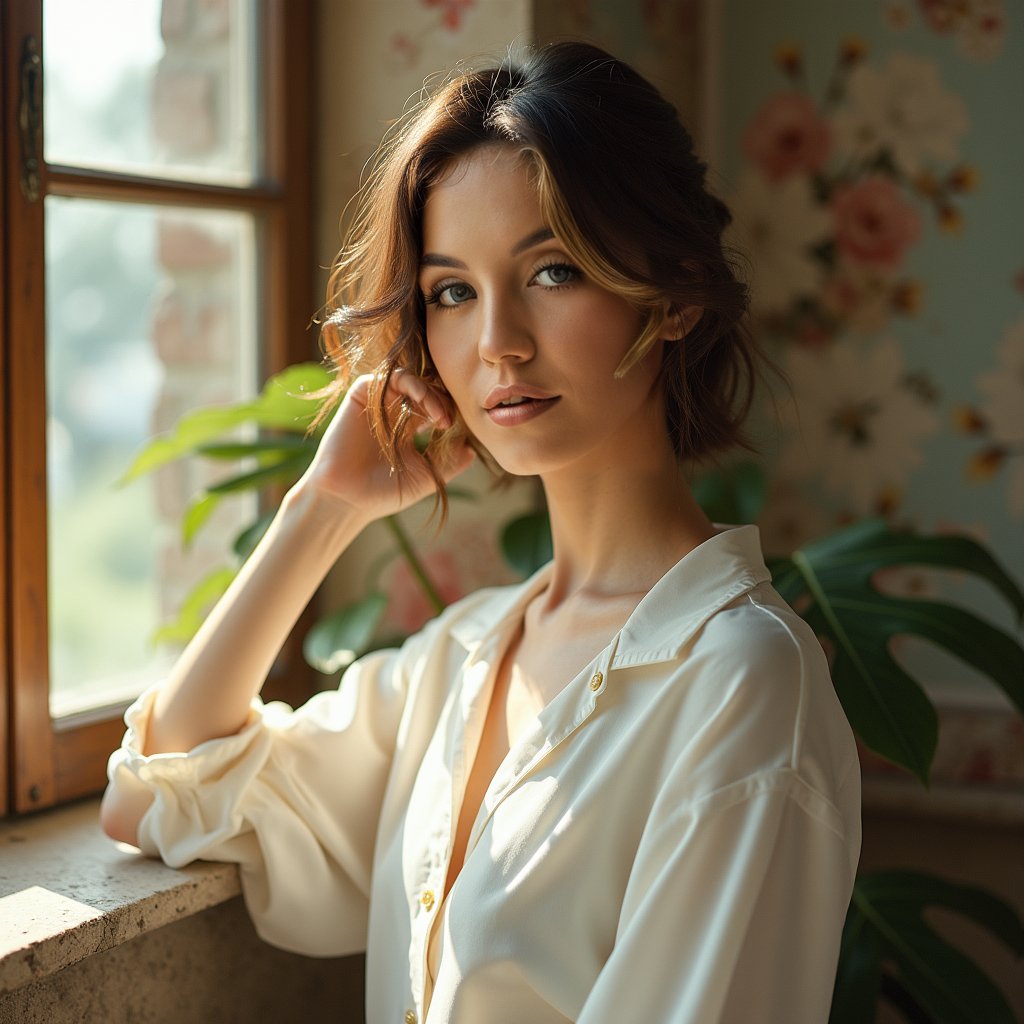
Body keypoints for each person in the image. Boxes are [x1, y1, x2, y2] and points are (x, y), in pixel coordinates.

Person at [101, 41, 861, 1024]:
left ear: (671, 293)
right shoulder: (459, 660)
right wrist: (319, 511)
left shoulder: (742, 683)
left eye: (550, 271)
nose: (495, 341)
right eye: (451, 290)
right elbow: (157, 793)